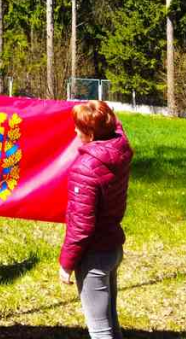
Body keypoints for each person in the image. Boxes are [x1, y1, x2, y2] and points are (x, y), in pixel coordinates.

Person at [59, 100, 133, 339]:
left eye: (78, 128)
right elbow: (117, 126)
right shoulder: (120, 147)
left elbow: (81, 227)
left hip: (94, 257)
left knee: (100, 330)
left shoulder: (85, 168)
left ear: (90, 134)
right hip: (112, 248)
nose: (74, 131)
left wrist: (66, 264)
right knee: (111, 321)